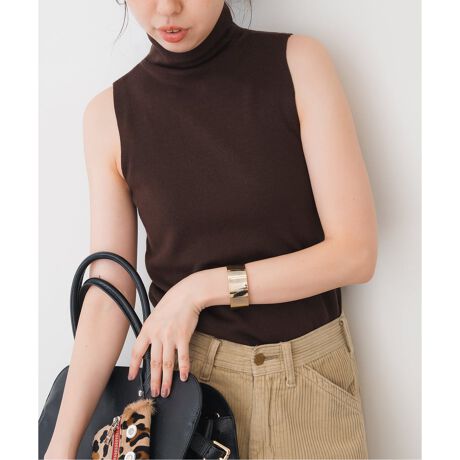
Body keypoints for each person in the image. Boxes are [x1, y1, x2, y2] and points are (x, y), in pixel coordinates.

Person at [44, 1, 378, 458]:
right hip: (186, 397)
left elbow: (355, 253)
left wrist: (199, 290)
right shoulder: (108, 117)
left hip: (309, 389)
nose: (168, 8)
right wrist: (61, 446)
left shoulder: (298, 64)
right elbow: (108, 293)